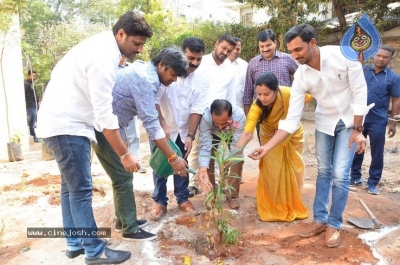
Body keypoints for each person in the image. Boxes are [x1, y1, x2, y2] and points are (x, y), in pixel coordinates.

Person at [37, 11, 153, 264]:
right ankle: (94, 250)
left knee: (70, 188)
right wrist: (125, 154)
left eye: (142, 45)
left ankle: (75, 243)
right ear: (120, 34)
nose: (140, 50)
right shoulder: (104, 57)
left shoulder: (101, 45)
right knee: (81, 190)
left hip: (59, 124)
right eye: (136, 44)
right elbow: (104, 115)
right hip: (68, 127)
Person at [246, 24, 370, 248]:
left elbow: (360, 91)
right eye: (292, 51)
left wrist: (358, 130)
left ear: (313, 42)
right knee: (324, 171)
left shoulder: (344, 56)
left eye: (298, 50)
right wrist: (267, 147)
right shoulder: (301, 75)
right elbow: (291, 120)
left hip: (350, 122)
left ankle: (334, 224)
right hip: (325, 122)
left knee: (341, 174)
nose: (295, 56)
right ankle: (320, 220)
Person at [93, 46, 189, 239]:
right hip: (104, 128)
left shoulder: (145, 71)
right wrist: (173, 157)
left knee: (120, 177)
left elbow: (153, 116)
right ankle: (129, 228)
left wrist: (162, 123)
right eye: (173, 74)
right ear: (161, 65)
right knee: (123, 177)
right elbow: (151, 126)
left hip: (111, 126)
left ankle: (123, 220)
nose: (174, 79)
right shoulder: (145, 79)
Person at [225, 72, 308, 219]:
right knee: (271, 170)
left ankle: (291, 200)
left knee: (295, 169)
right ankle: (273, 203)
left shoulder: (289, 94)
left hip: (293, 134)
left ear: (276, 90)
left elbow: (303, 101)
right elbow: (247, 133)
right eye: (259, 94)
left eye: (266, 94)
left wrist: (286, 125)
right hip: (269, 136)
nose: (262, 98)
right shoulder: (256, 107)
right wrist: (234, 154)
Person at [151, 37, 209, 220]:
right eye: (191, 58)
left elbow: (197, 108)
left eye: (199, 59)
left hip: (184, 130)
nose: (194, 63)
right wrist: (162, 124)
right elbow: (154, 100)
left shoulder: (203, 78)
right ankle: (160, 202)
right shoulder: (166, 72)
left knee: (182, 164)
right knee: (160, 165)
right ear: (182, 54)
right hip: (162, 128)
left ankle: (183, 199)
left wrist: (191, 134)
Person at [187, 34, 237, 197]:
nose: (225, 52)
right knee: (198, 148)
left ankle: (216, 182)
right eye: (223, 48)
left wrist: (230, 118)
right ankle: (194, 183)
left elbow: (230, 94)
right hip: (200, 112)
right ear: (216, 44)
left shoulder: (230, 68)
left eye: (229, 50)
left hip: (221, 116)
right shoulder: (202, 63)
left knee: (218, 150)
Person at [350, 44, 400, 195]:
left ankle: (373, 182)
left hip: (378, 120)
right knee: (357, 148)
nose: (381, 59)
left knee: (377, 152)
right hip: (359, 119)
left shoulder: (393, 78)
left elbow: (396, 100)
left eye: (385, 57)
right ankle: (355, 177)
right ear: (374, 55)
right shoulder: (362, 70)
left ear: (391, 59)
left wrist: (393, 122)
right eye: (379, 55)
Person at [197, 99, 246, 209]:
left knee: (237, 158)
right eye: (216, 123)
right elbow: (205, 146)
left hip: (231, 133)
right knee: (207, 159)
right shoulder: (205, 118)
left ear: (231, 116)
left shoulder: (239, 116)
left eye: (224, 123)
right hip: (212, 134)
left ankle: (232, 196)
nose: (220, 127)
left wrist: (228, 161)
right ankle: (211, 194)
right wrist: (203, 169)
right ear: (211, 116)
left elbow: (237, 146)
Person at [243, 29, 298, 117]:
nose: (265, 49)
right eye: (262, 46)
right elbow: (248, 91)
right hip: (261, 111)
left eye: (268, 45)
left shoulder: (288, 59)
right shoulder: (253, 63)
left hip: (284, 110)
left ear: (275, 42)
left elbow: (301, 78)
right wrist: (248, 115)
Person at [228, 37, 248, 110]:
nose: (235, 51)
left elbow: (247, 89)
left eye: (238, 49)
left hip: (239, 109)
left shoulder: (245, 65)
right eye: (233, 48)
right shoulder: (220, 64)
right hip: (220, 109)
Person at [24, 69, 41, 143]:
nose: (34, 77)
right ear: (28, 75)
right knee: (32, 123)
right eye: (32, 76)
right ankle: (33, 138)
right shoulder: (26, 84)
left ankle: (36, 136)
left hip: (35, 105)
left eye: (35, 76)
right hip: (30, 106)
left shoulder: (32, 84)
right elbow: (23, 95)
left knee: (36, 122)